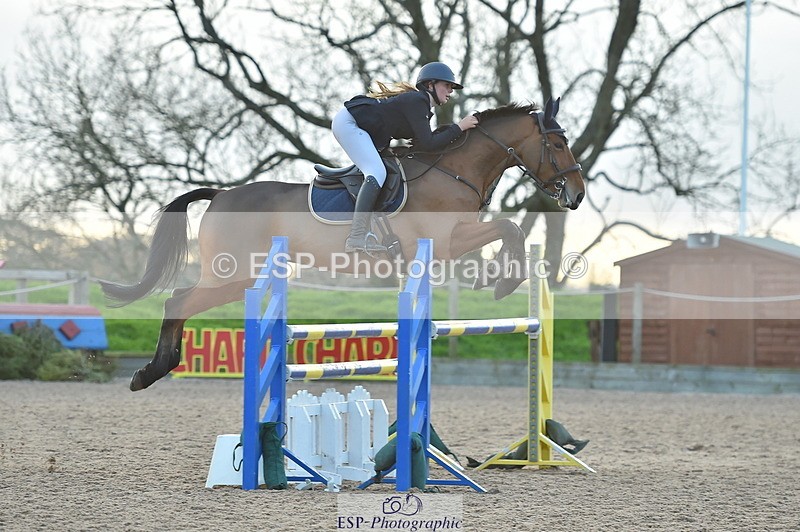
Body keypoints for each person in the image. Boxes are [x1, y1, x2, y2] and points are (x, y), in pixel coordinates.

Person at [332, 61, 479, 253]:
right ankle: (356, 237)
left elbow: (425, 147)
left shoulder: (423, 108)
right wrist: (459, 127)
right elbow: (429, 143)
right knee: (376, 172)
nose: (450, 91)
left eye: (451, 87)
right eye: (447, 86)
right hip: (350, 123)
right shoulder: (417, 101)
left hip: (362, 128)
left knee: (384, 169)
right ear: (430, 85)